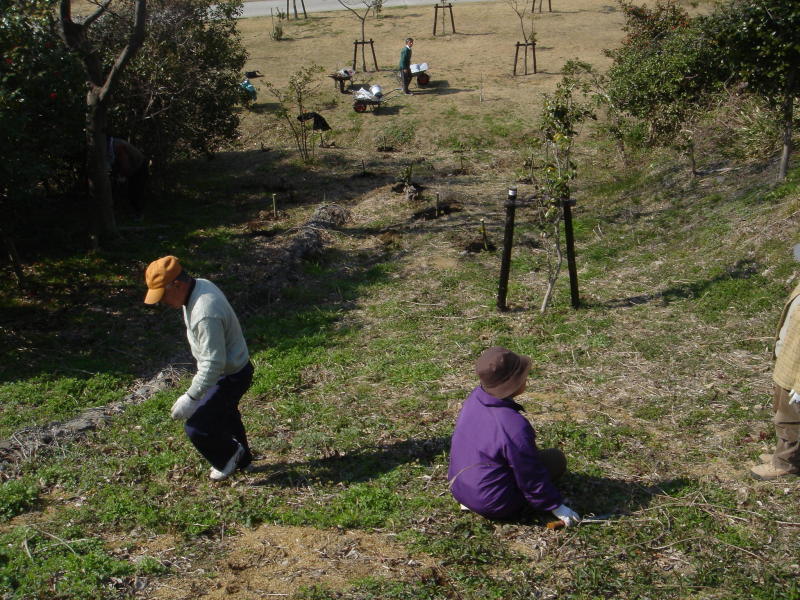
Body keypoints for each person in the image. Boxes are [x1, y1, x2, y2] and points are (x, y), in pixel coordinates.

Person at [143, 256, 254, 481]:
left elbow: (214, 363)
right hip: (233, 368)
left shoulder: (205, 312)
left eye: (163, 294)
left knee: (197, 427)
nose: (162, 301)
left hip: (230, 375)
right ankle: (244, 461)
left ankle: (228, 457)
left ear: (177, 284)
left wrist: (191, 397)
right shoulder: (199, 285)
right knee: (226, 415)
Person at [448, 347, 581, 527]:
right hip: (494, 504)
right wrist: (556, 506)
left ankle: (472, 499)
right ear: (514, 383)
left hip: (459, 487)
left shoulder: (475, 398)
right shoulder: (513, 426)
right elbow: (530, 474)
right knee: (555, 460)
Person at [750, 255, 800, 480]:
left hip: (797, 378)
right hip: (788, 365)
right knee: (781, 413)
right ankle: (782, 453)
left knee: (790, 420)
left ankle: (785, 464)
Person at [108, 136, 148, 219]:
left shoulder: (118, 146)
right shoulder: (113, 145)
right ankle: (130, 212)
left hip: (139, 166)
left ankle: (138, 214)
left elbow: (125, 164)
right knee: (130, 190)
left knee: (135, 190)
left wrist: (122, 176)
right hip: (131, 167)